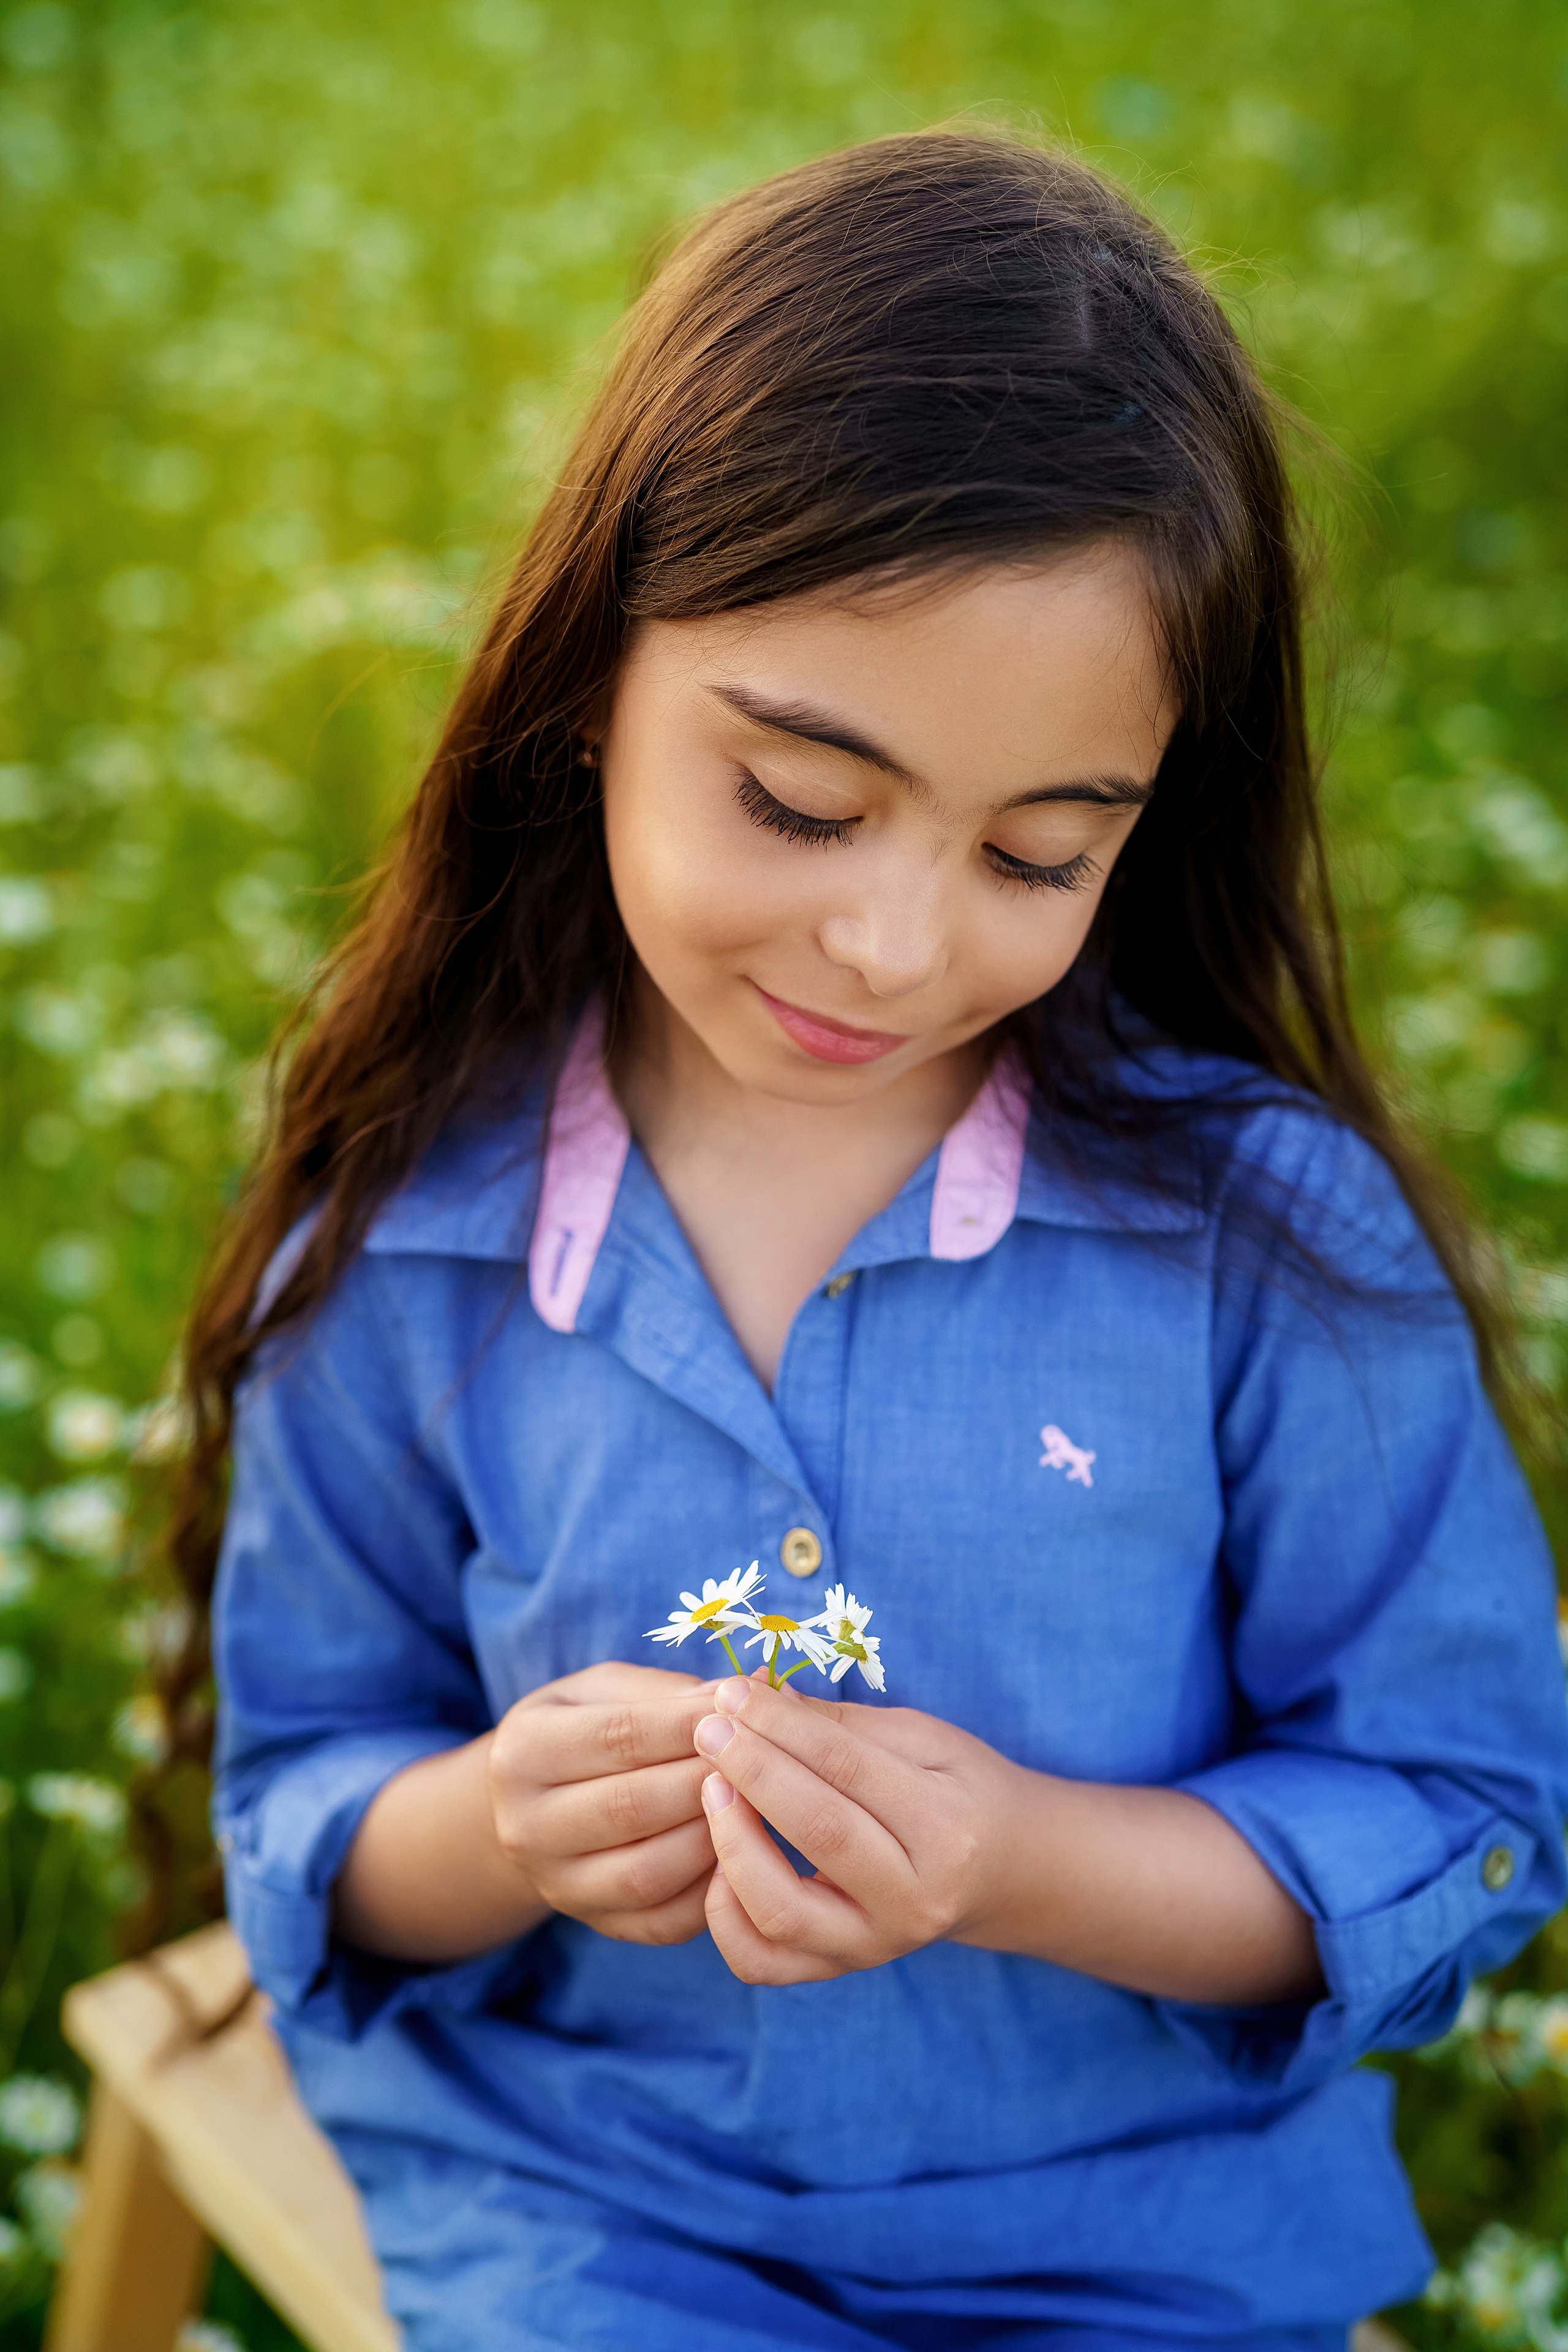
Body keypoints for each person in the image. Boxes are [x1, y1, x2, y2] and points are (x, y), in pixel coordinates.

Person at [181, 132, 1568, 2351]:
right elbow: (312, 1793)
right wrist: (505, 1828)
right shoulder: (415, 1232)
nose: (896, 944)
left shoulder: (1266, 1245)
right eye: (801, 802)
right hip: (593, 2205)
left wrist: (1020, 1861)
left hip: (1144, 2228)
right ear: (589, 672)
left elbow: (1457, 1810)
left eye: (1036, 855)